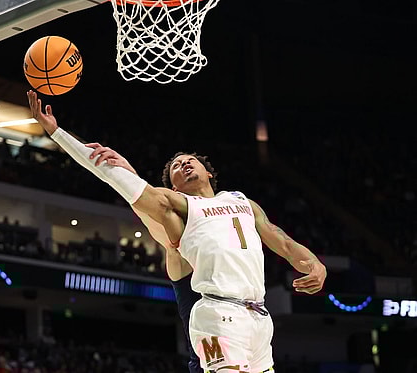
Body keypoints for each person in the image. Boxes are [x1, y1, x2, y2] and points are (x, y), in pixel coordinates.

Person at [27, 90, 327, 373]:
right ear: (172, 187)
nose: (183, 164)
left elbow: (284, 242)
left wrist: (314, 264)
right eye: (176, 166)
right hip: (218, 313)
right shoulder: (178, 212)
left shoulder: (243, 202)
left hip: (259, 317)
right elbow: (122, 184)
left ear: (208, 171)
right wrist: (57, 133)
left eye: (189, 160)